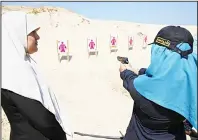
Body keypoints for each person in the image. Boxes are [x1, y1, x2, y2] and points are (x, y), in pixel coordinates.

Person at [2, 11, 73, 140]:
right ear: (18, 34)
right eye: (33, 33)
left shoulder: (20, 64)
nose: (38, 37)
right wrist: (61, 134)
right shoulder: (14, 71)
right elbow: (40, 117)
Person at [119, 25, 197, 140]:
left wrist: (125, 70)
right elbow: (164, 75)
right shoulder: (191, 85)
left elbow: (130, 79)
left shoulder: (141, 89)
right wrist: (139, 71)